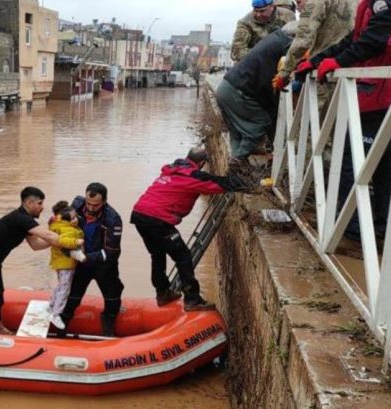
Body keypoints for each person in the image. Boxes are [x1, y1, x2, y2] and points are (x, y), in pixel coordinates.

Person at [295, 0, 391, 240]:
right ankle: (378, 227)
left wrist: (340, 62)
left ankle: (351, 228)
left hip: (382, 94)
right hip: (379, 93)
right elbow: (354, 40)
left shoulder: (389, 2)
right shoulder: (372, 3)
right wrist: (317, 60)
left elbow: (380, 40)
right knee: (383, 164)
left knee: (354, 160)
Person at [130, 147, 255, 311]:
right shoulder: (194, 175)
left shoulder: (170, 171)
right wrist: (252, 184)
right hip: (158, 220)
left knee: (157, 255)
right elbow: (221, 184)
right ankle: (192, 299)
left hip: (140, 215)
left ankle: (162, 293)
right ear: (202, 163)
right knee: (183, 257)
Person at [0, 186, 61, 334]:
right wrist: (70, 240)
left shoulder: (24, 220)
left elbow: (36, 245)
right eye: (40, 203)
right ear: (29, 203)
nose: (42, 207)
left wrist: (57, 240)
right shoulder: (21, 219)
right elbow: (49, 236)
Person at [217, 22, 297, 169]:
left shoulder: (273, 38)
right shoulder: (286, 43)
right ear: (294, 36)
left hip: (225, 88)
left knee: (237, 132)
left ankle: (236, 170)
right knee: (261, 123)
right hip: (238, 91)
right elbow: (286, 68)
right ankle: (237, 160)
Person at [58, 183, 124, 337]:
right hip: (81, 265)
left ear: (105, 201)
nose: (91, 207)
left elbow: (112, 253)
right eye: (88, 203)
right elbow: (61, 223)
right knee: (71, 299)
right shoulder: (77, 205)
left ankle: (108, 328)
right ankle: (60, 330)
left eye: (96, 205)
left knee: (112, 298)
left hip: (104, 266)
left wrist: (86, 257)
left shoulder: (113, 219)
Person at [272, 0, 356, 113]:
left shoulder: (313, 2)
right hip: (353, 72)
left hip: (323, 73)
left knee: (315, 125)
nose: (298, 8)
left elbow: (303, 40)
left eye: (299, 2)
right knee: (345, 124)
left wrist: (285, 71)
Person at [47, 201, 85, 330]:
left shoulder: (58, 225)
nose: (76, 219)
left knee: (60, 285)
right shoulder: (66, 228)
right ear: (65, 220)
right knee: (65, 289)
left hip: (61, 262)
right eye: (74, 218)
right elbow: (64, 241)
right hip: (65, 264)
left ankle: (52, 305)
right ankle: (56, 314)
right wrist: (76, 241)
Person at [231, 0, 297, 62]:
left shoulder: (287, 16)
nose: (258, 14)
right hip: (257, 63)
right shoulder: (245, 23)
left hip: (283, 60)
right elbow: (236, 52)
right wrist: (265, 53)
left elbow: (297, 40)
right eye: (255, 11)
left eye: (262, 11)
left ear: (272, 7)